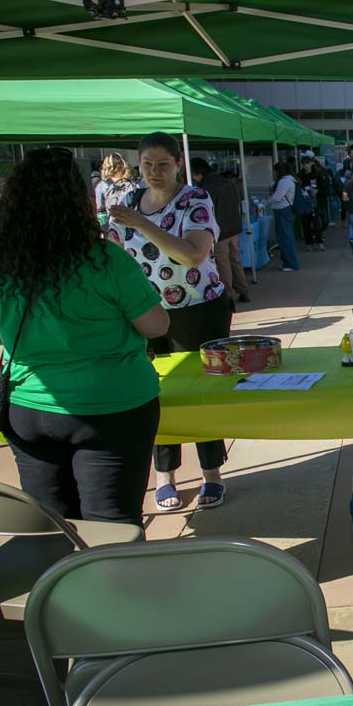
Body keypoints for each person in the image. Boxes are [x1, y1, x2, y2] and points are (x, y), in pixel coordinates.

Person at [0, 148, 168, 526]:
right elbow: (156, 326)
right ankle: (110, 586)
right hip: (113, 405)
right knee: (112, 525)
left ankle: (58, 584)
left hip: (29, 407)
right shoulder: (105, 259)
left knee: (50, 526)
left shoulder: (4, 264)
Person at [107, 132, 232, 512]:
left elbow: (192, 254)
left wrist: (141, 224)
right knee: (153, 390)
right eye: (147, 165)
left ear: (179, 164)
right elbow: (113, 254)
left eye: (163, 164)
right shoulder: (127, 202)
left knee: (201, 391)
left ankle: (211, 472)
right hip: (144, 310)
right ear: (137, 165)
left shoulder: (195, 200)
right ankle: (165, 475)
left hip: (198, 309)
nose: (154, 172)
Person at [191, 158, 250, 304]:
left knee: (223, 263)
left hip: (220, 230)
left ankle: (229, 294)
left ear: (198, 173)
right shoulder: (226, 180)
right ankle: (243, 290)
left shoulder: (207, 187)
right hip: (234, 227)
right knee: (234, 260)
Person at [268, 161, 300, 272]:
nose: (273, 173)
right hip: (286, 211)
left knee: (285, 238)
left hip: (282, 211)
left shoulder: (284, 181)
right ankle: (287, 262)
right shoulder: (290, 180)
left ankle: (291, 263)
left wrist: (268, 201)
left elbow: (277, 197)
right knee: (286, 237)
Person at [93, 153, 139, 219]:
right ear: (124, 164)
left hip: (113, 223)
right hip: (134, 221)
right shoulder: (135, 181)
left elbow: (101, 209)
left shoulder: (102, 185)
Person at [298, 157, 327, 252]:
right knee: (305, 224)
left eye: (307, 163)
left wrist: (317, 191)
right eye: (303, 164)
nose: (305, 165)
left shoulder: (317, 174)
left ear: (311, 163)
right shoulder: (299, 175)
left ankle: (319, 242)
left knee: (316, 223)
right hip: (303, 203)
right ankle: (309, 243)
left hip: (314, 202)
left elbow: (323, 187)